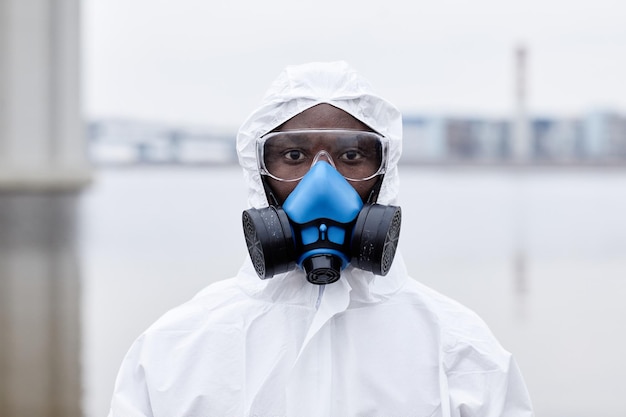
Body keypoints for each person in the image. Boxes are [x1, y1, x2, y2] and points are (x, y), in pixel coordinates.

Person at [108, 61, 534, 417]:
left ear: (385, 173)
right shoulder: (174, 350)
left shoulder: (460, 351)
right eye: (293, 156)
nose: (322, 183)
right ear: (259, 174)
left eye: (352, 156)